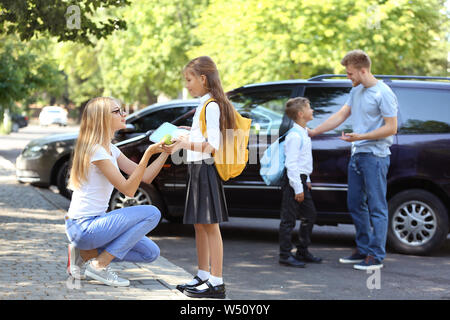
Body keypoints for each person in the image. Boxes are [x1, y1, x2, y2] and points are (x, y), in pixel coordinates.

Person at [65, 97, 168, 286]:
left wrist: (165, 152)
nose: (124, 114)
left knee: (150, 253)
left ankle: (84, 255)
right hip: (83, 227)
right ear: (103, 118)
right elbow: (129, 190)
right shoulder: (95, 151)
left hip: (95, 225)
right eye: (117, 111)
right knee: (152, 213)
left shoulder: (112, 149)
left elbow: (145, 177)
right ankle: (98, 265)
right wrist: (147, 154)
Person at [309, 50, 398, 270]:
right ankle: (363, 249)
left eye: (350, 74)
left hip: (375, 157)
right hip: (357, 155)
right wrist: (314, 131)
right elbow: (341, 115)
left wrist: (362, 136)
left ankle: (376, 256)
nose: (349, 77)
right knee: (355, 204)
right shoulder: (356, 90)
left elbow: (391, 128)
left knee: (377, 206)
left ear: (363, 70)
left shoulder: (383, 93)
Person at [163, 56, 233, 299]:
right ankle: (203, 275)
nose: (187, 84)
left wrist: (184, 140)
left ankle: (217, 281)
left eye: (189, 79)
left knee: (210, 225)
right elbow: (203, 137)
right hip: (197, 168)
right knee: (199, 224)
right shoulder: (205, 105)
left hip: (205, 168)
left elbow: (212, 145)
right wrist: (186, 134)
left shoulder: (211, 105)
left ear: (203, 79)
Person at [279, 97, 322, 268]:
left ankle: (302, 250)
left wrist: (307, 180)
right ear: (301, 114)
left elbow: (303, 161)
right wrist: (298, 188)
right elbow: (291, 164)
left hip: (302, 179)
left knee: (310, 215)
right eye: (309, 107)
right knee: (288, 219)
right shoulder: (294, 136)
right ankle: (284, 255)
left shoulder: (303, 132)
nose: (312, 110)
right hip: (293, 181)